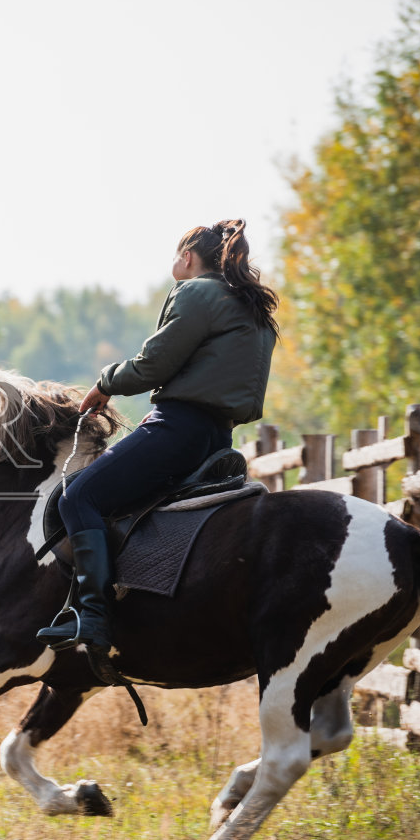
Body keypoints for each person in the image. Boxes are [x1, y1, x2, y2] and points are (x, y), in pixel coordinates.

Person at [36, 219, 280, 657]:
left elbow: (153, 364)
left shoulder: (196, 292)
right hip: (220, 442)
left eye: (176, 255)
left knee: (78, 499)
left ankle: (91, 614)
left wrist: (105, 384)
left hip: (177, 430)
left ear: (187, 257)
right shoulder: (253, 308)